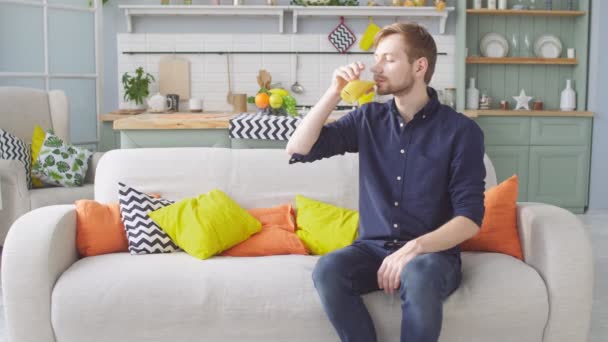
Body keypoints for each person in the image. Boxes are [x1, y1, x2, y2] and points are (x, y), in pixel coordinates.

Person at [285, 22, 486, 342]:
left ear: (420, 66)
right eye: (376, 58)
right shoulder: (368, 119)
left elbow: (470, 219)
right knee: (329, 269)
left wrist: (414, 248)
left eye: (389, 60)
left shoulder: (461, 132)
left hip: (431, 257)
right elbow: (298, 148)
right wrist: (334, 91)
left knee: (419, 273)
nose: (376, 68)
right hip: (371, 250)